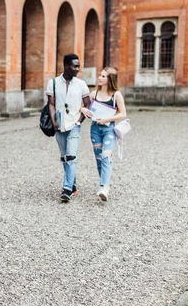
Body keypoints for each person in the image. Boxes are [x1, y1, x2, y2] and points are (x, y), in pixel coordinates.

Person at [46, 54, 91, 202]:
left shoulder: (81, 84)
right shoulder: (52, 83)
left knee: (71, 157)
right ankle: (73, 184)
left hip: (74, 125)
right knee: (65, 158)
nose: (77, 69)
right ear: (66, 66)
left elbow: (88, 104)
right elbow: (51, 104)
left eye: (78, 66)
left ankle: (66, 189)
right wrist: (54, 121)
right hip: (59, 126)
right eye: (75, 66)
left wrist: (79, 121)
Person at [81, 67, 127, 201]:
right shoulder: (93, 94)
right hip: (95, 129)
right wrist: (83, 109)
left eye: (103, 76)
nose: (99, 78)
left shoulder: (116, 95)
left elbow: (123, 113)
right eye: (100, 75)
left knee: (106, 156)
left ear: (109, 80)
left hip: (109, 130)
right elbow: (80, 106)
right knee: (99, 159)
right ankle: (104, 183)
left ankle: (104, 187)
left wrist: (107, 119)